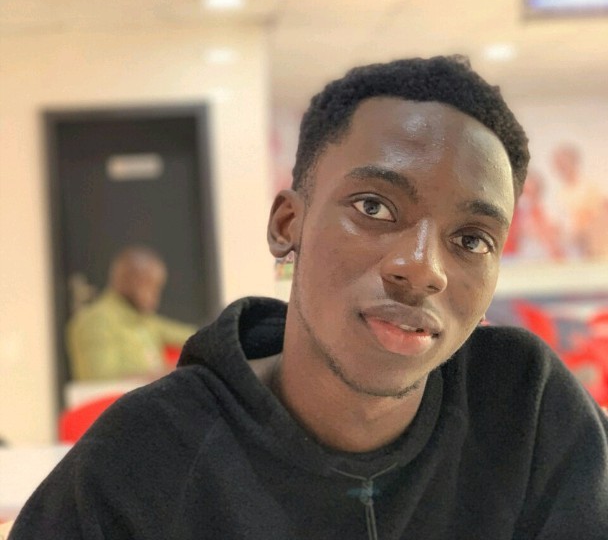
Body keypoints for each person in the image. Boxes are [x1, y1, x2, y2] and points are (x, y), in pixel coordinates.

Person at [10, 57, 608, 539]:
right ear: (287, 224)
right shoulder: (145, 458)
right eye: (374, 207)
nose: (422, 269)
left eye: (472, 240)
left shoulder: (526, 410)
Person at [66, 246, 196, 381]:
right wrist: (167, 375)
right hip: (124, 394)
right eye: (150, 285)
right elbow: (101, 383)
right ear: (130, 280)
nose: (155, 295)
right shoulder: (95, 321)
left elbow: (191, 336)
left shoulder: (146, 319)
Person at [551, 143, 608, 259]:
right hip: (572, 249)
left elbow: (598, 216)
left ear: (574, 162)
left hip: (595, 248)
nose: (561, 167)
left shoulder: (590, 187)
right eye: (558, 164)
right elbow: (558, 226)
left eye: (564, 163)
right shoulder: (558, 194)